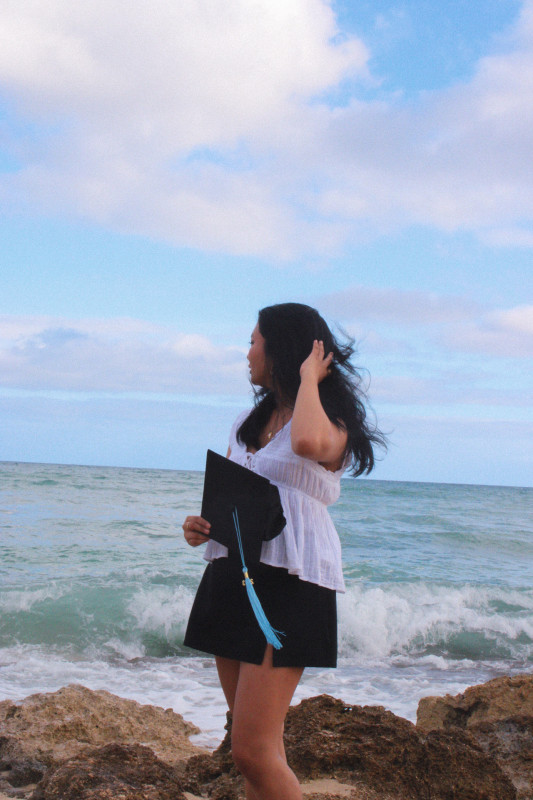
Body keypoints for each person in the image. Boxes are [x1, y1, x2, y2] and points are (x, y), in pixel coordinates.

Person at [182, 302, 384, 800]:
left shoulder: (329, 421)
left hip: (291, 581)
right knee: (253, 748)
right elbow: (234, 495)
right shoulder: (246, 422)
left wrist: (309, 381)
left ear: (282, 350)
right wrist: (201, 527)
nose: (247, 351)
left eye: (254, 340)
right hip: (235, 572)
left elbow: (309, 444)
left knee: (252, 751)